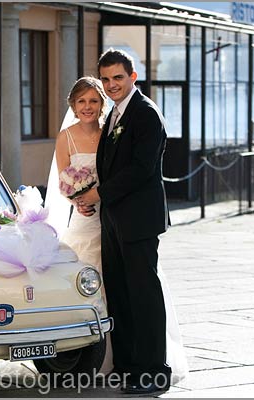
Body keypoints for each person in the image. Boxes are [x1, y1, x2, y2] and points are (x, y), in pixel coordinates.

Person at [74, 48, 182, 395]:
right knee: (119, 294)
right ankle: (128, 366)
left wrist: (99, 193)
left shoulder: (146, 114)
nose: (111, 85)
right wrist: (88, 195)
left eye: (117, 78)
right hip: (114, 220)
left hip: (139, 221)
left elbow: (141, 169)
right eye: (106, 79)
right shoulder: (113, 115)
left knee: (143, 296)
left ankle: (153, 372)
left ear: (132, 77)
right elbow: (110, 164)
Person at [45, 76, 114, 374]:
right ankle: (80, 355)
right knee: (81, 279)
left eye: (94, 101)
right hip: (84, 220)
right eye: (82, 101)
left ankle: (115, 353)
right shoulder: (66, 137)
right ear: (73, 105)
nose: (88, 107)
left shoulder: (110, 134)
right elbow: (64, 179)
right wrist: (77, 200)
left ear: (102, 105)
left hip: (110, 215)